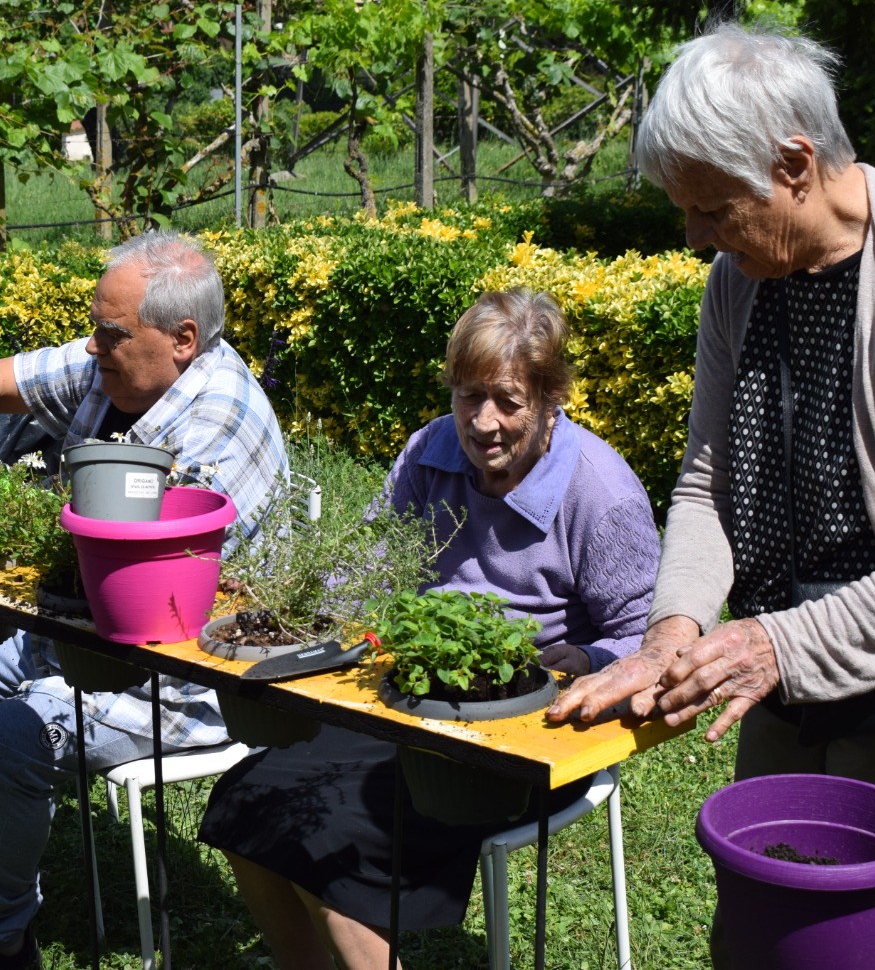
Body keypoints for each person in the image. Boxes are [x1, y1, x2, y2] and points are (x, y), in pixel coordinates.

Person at [547, 22, 875, 968]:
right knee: (759, 943)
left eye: (711, 206)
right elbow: (707, 480)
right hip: (782, 674)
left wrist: (774, 641)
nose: (695, 234)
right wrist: (676, 629)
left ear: (794, 164)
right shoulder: (739, 282)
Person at [0, 230, 289, 970]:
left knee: (2, 742)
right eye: (95, 326)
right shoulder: (119, 364)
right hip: (83, 628)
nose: (91, 346)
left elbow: (144, 584)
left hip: (182, 669)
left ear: (183, 338)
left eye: (109, 332)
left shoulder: (217, 423)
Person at [196, 289, 659, 970]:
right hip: (412, 701)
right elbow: (365, 568)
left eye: (507, 398)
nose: (483, 421)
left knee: (327, 836)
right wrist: (283, 600)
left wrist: (590, 655)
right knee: (247, 796)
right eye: (468, 396)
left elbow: (645, 638)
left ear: (551, 395)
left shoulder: (600, 492)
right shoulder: (431, 452)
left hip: (528, 735)